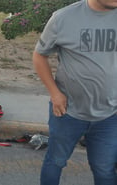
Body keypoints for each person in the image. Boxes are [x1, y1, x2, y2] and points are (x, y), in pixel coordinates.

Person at [32, 0, 117, 184]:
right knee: (55, 162)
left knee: (105, 170)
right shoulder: (63, 18)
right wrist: (55, 93)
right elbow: (40, 55)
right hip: (67, 111)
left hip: (110, 115)